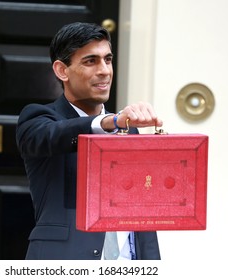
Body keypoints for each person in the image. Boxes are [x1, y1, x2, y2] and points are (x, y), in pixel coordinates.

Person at [16, 22, 162, 260]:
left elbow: (142, 212)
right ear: (62, 70)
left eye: (108, 59)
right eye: (90, 61)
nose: (104, 70)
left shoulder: (128, 131)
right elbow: (53, 136)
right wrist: (108, 122)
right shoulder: (38, 119)